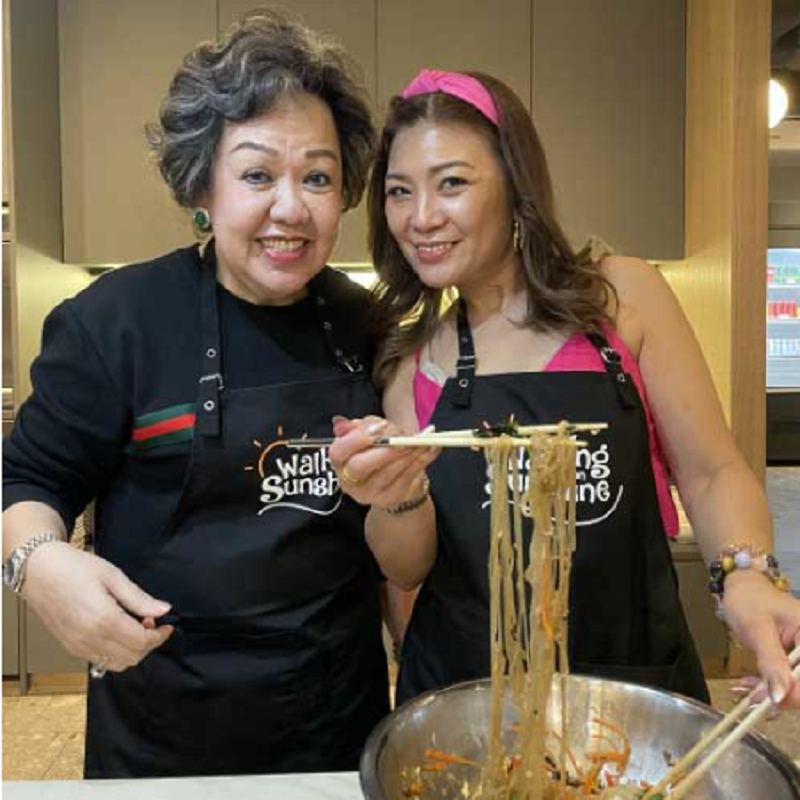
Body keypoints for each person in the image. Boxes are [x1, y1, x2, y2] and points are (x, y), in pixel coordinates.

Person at [329, 69, 800, 710]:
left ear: (515, 185)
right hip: (470, 698)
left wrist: (746, 577)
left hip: (630, 684)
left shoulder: (619, 298)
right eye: (399, 192)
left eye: (452, 183)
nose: (422, 218)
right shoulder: (415, 363)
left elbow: (713, 472)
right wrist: (397, 496)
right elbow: (407, 568)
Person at [2, 10, 390, 778]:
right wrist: (38, 566)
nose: (290, 208)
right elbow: (25, 483)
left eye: (317, 177)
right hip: (162, 734)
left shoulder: (368, 325)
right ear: (201, 185)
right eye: (257, 175)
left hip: (335, 731)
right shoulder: (115, 323)